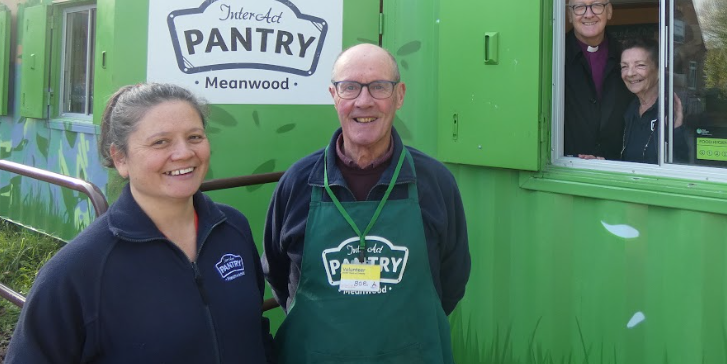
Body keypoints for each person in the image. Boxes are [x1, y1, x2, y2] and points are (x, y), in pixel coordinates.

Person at [6, 83, 273, 364]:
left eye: (194, 136)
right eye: (161, 142)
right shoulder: (79, 269)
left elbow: (256, 333)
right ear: (121, 158)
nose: (184, 153)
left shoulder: (233, 228)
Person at [263, 43, 471, 363]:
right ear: (334, 95)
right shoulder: (297, 183)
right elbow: (278, 275)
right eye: (350, 88)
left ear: (399, 96)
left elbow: (453, 278)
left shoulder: (435, 183)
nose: (364, 101)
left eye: (379, 87)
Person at [564, 0, 634, 160]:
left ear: (609, 11)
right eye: (579, 7)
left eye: (596, 5)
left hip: (615, 167)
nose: (589, 14)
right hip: (565, 167)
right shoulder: (554, 56)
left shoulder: (625, 58)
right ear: (569, 15)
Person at [619, 37, 689, 163]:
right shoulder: (628, 110)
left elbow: (687, 164)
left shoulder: (673, 109)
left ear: (659, 70)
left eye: (640, 65)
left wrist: (676, 132)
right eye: (624, 66)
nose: (629, 73)